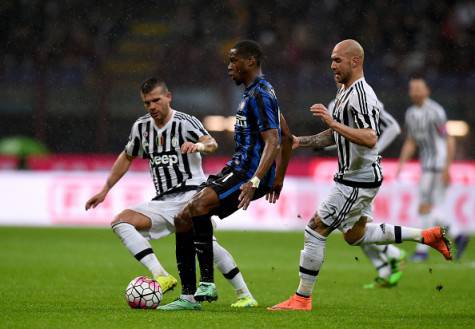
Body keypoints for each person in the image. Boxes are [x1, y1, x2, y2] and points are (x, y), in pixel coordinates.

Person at [269, 39, 452, 312]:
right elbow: (335, 134)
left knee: (315, 229)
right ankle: (426, 236)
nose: (332, 65)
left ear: (355, 61)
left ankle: (301, 298)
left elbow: (369, 137)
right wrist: (301, 141)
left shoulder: (361, 95)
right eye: (331, 60)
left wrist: (332, 121)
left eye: (337, 60)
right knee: (355, 235)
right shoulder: (345, 92)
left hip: (355, 178)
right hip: (362, 176)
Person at [85, 78, 258, 308]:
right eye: (147, 103)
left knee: (208, 246)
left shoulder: (185, 122)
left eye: (156, 100)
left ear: (168, 97)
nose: (152, 106)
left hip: (193, 196)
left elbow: (211, 144)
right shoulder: (141, 127)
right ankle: (161, 275)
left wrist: (198, 146)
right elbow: (127, 155)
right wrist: (105, 189)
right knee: (121, 222)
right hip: (162, 201)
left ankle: (244, 295)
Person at [158, 40, 293, 311]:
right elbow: (288, 136)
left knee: (198, 206)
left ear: (251, 62)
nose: (229, 67)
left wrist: (258, 180)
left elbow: (274, 141)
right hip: (238, 169)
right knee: (182, 218)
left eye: (234, 61)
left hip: (247, 173)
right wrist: (278, 179)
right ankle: (187, 298)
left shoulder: (260, 95)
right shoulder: (255, 93)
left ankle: (206, 283)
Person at [330, 88, 406, 288]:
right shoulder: (335, 104)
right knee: (351, 227)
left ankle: (391, 255)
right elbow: (340, 140)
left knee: (341, 221)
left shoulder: (365, 100)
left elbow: (393, 127)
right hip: (347, 174)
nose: (334, 69)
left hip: (362, 176)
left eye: (338, 61)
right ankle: (386, 266)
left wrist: (374, 152)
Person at [396, 78, 469, 261]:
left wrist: (447, 167)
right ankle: (457, 234)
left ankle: (423, 251)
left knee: (425, 207)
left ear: (427, 91)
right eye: (413, 89)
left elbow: (449, 139)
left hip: (437, 165)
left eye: (419, 88)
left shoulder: (435, 111)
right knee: (428, 208)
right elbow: (411, 141)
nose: (415, 92)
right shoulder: (411, 113)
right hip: (426, 166)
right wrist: (401, 163)